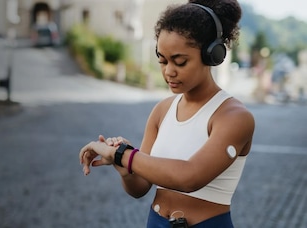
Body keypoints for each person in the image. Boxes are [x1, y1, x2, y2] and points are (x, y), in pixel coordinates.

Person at [79, 0, 255, 227]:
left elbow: (189, 177)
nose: (168, 71)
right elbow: (140, 188)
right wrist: (125, 169)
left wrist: (124, 155)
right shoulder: (162, 110)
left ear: (213, 55)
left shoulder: (234, 116)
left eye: (180, 62)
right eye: (162, 60)